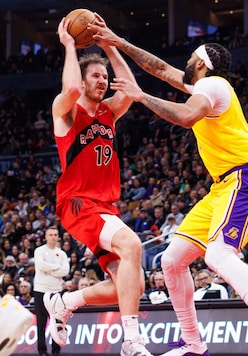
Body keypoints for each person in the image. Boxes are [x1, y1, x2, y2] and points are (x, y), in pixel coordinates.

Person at [91, 22, 248, 356]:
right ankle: (194, 343)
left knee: (219, 254)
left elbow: (188, 117)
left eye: (191, 58)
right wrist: (118, 42)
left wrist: (140, 95)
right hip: (224, 185)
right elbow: (160, 68)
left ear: (202, 64)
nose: (186, 62)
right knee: (172, 260)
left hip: (245, 178)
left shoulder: (214, 85)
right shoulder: (202, 85)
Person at [44, 14, 153, 356]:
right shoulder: (66, 112)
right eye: (96, 75)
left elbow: (131, 90)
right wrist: (70, 46)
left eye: (105, 77)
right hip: (78, 202)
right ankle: (132, 340)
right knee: (133, 245)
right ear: (84, 78)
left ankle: (65, 301)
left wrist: (110, 43)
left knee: (134, 283)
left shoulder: (107, 113)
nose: (103, 81)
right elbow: (72, 88)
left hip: (105, 207)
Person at [34, 227, 69, 356]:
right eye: (51, 235)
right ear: (46, 237)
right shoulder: (39, 251)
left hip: (57, 291)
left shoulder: (62, 253)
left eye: (55, 234)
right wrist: (57, 268)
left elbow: (65, 271)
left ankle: (56, 351)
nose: (53, 237)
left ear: (58, 237)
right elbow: (41, 265)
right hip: (41, 290)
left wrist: (49, 270)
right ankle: (42, 351)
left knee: (57, 323)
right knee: (41, 323)